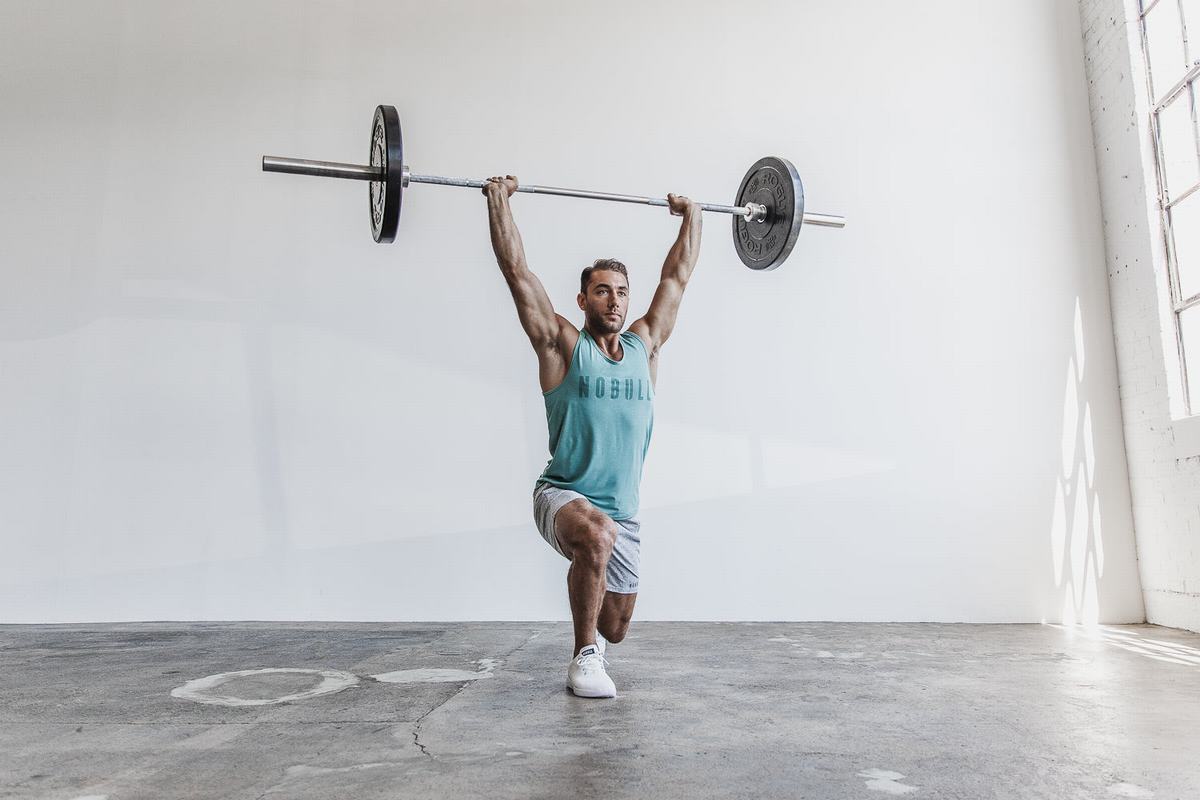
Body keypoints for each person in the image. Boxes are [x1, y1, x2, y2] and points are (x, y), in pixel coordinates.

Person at [483, 174, 701, 698]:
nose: (615, 301)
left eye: (622, 292)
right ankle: (582, 659)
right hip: (562, 494)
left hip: (621, 509)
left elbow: (677, 279)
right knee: (595, 534)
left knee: (617, 626)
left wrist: (693, 215)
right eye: (603, 290)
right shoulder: (562, 346)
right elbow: (517, 272)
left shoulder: (645, 347)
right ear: (582, 299)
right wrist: (499, 204)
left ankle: (597, 633)